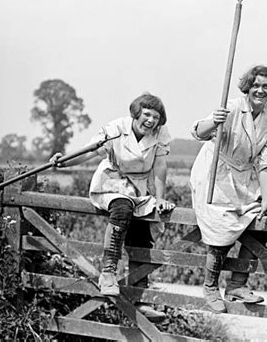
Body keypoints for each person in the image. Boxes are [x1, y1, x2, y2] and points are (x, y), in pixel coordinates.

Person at [50, 92, 175, 321]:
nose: (151, 120)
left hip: (139, 188)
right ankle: (108, 273)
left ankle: (140, 298)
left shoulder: (160, 134)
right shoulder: (116, 128)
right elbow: (89, 151)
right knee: (122, 209)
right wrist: (64, 162)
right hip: (112, 183)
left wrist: (160, 199)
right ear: (136, 113)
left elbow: (160, 167)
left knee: (141, 233)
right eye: (146, 114)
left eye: (156, 117)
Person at [190, 65, 267, 313]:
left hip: (244, 179)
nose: (260, 90)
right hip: (215, 174)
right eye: (256, 85)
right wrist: (213, 122)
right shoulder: (230, 106)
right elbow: (198, 132)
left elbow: (265, 160)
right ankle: (210, 287)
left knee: (263, 220)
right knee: (221, 228)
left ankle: (236, 284)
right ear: (247, 87)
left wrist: (265, 197)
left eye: (266, 86)